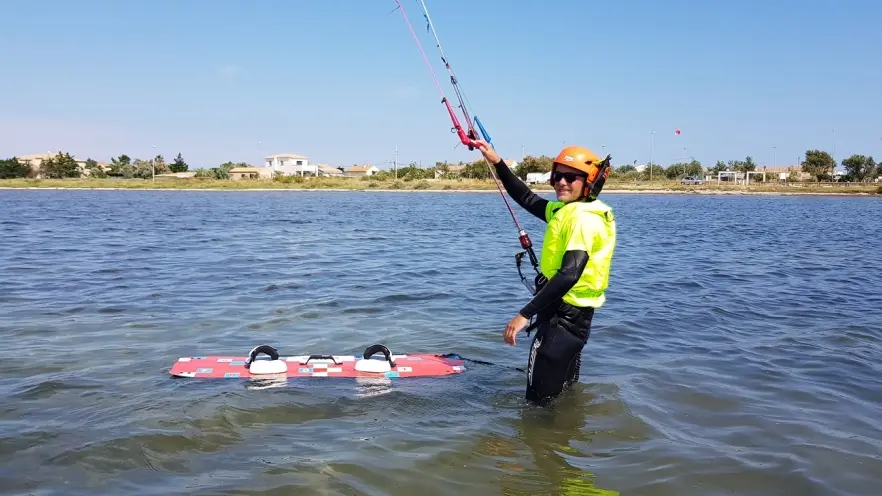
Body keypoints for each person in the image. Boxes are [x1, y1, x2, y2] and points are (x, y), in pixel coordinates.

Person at [473, 139, 617, 406]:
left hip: (561, 320)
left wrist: (523, 314)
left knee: (535, 407)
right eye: (557, 175)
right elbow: (527, 198)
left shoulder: (581, 219)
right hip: (576, 318)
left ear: (590, 182)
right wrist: (497, 162)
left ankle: (535, 445)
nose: (561, 182)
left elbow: (570, 273)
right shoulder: (571, 210)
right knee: (563, 396)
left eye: (571, 177)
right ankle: (564, 442)